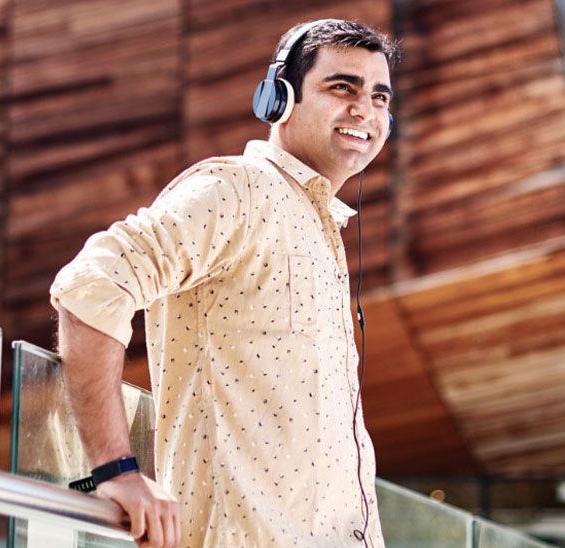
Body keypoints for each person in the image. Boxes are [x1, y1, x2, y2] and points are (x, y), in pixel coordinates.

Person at [49, 18, 400, 548]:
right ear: (278, 98)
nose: (364, 110)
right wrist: (114, 471)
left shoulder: (321, 226)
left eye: (379, 96)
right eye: (341, 87)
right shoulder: (236, 191)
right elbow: (92, 286)